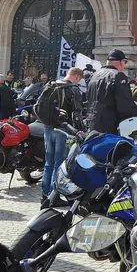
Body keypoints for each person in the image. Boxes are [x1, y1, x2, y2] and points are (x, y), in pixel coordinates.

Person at [39, 66, 84, 207]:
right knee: (59, 164)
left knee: (48, 163)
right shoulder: (73, 89)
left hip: (47, 127)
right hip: (64, 129)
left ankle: (45, 194)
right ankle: (53, 196)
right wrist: (81, 129)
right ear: (77, 76)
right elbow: (76, 113)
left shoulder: (51, 85)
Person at [86, 50, 137, 134]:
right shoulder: (118, 75)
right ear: (121, 62)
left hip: (92, 122)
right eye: (125, 62)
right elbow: (124, 103)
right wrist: (132, 117)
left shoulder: (94, 75)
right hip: (110, 124)